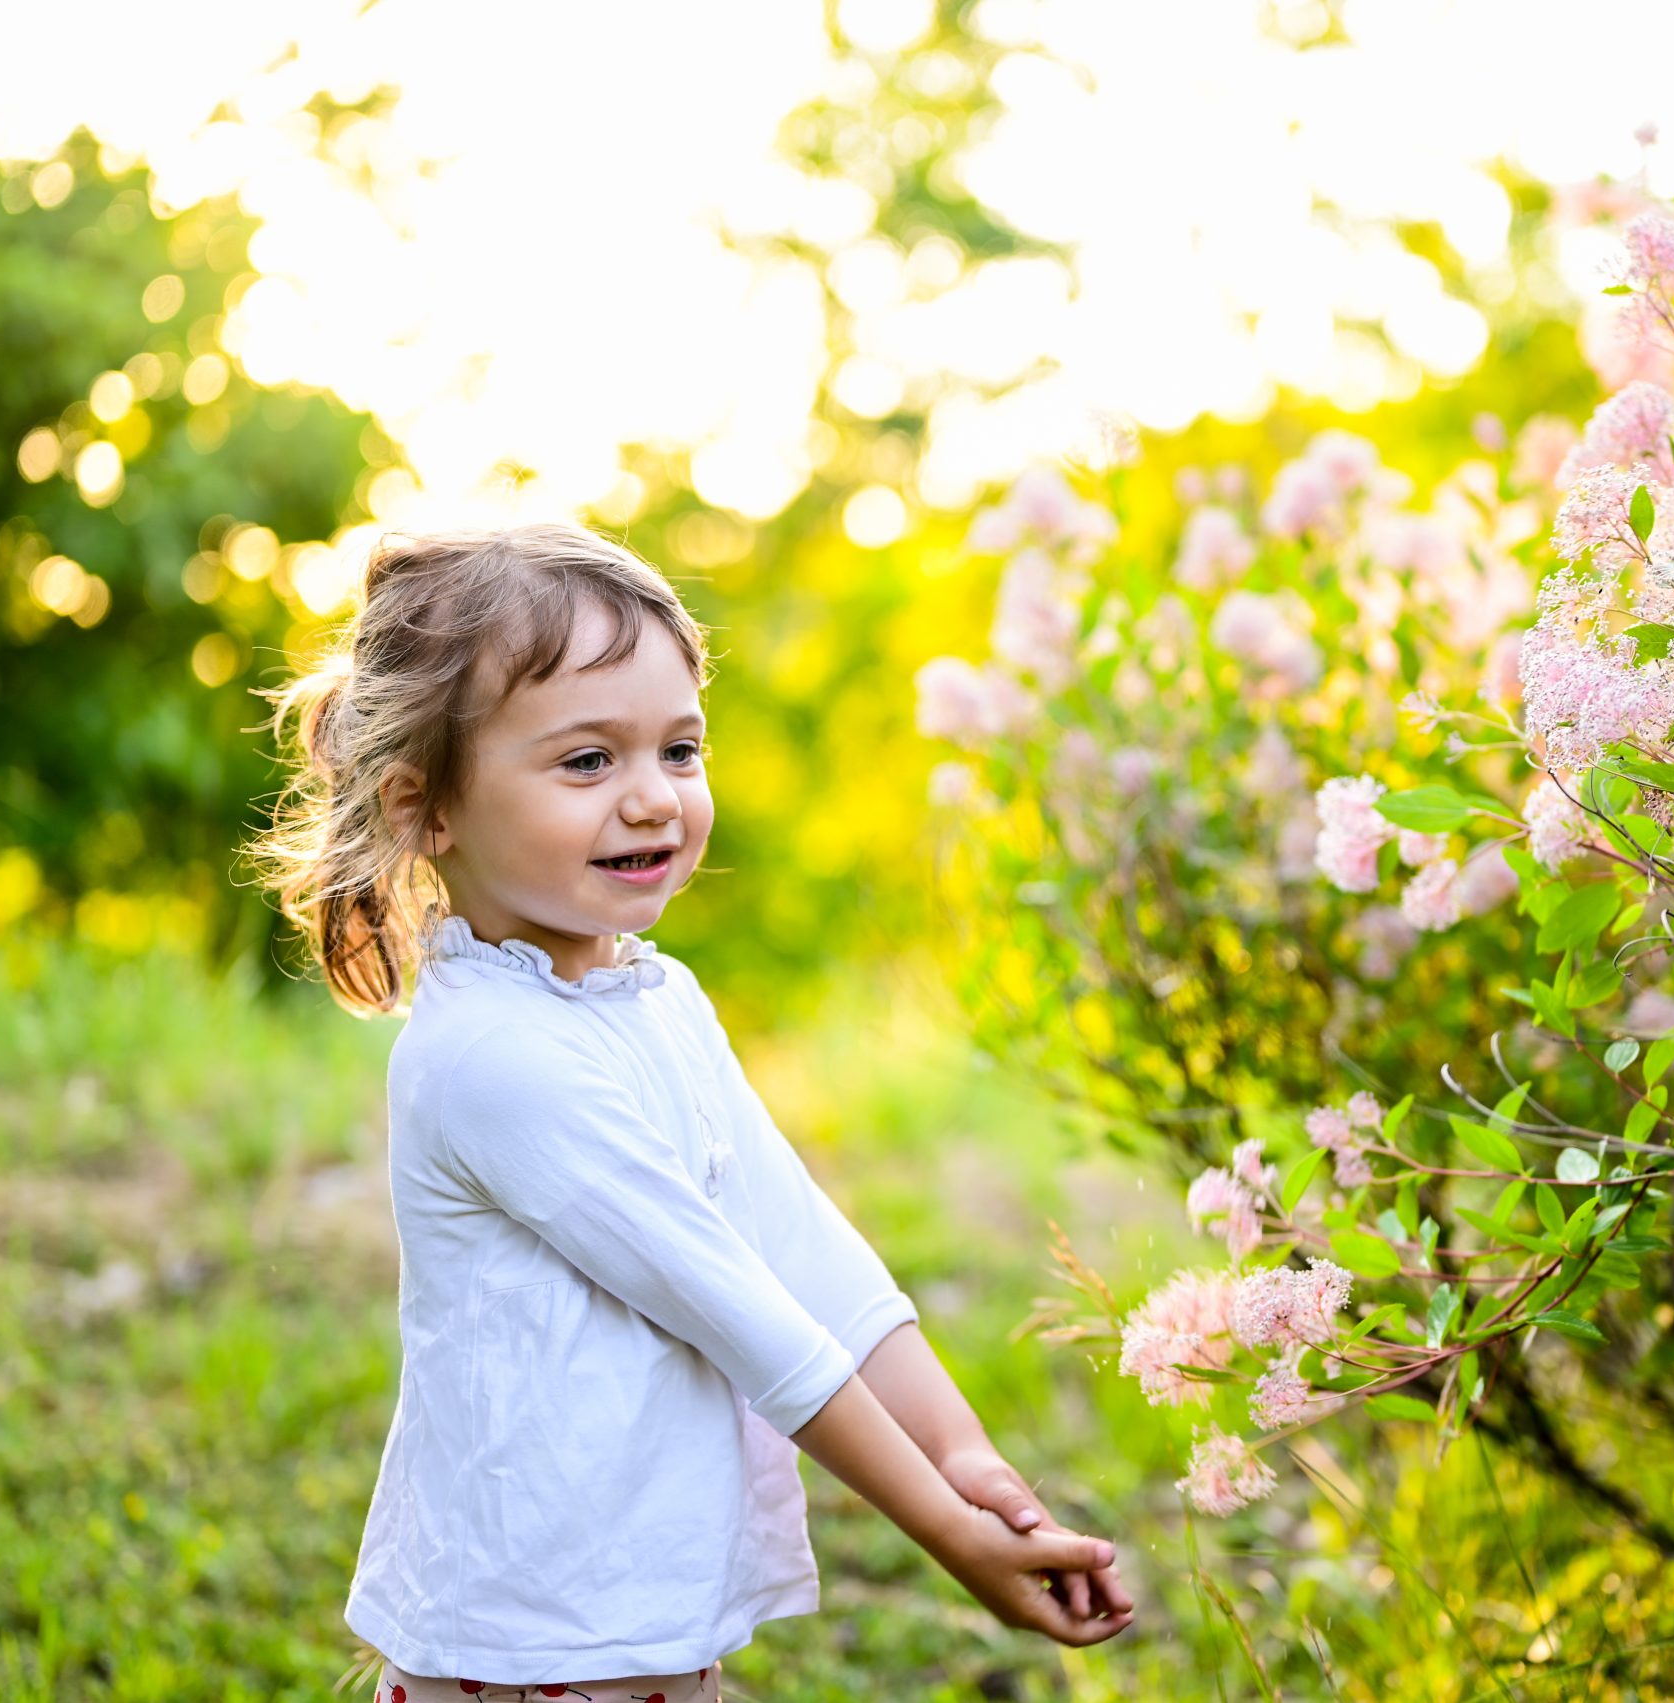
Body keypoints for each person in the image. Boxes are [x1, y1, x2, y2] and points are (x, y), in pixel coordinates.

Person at [249, 522, 1132, 1699]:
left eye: (678, 747)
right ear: (425, 808)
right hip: (531, 1642)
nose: (653, 797)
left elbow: (796, 1236)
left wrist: (961, 1446)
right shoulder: (492, 1056)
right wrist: (946, 1530)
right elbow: (740, 1310)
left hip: (640, 1613)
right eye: (585, 761)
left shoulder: (654, 998)